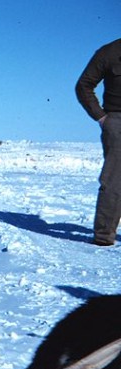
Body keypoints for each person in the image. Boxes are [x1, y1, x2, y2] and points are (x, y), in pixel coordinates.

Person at [76, 38, 121, 246]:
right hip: (117, 122)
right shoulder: (110, 52)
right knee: (114, 181)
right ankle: (104, 236)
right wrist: (102, 118)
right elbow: (84, 85)